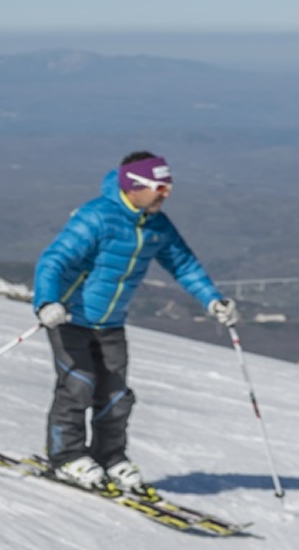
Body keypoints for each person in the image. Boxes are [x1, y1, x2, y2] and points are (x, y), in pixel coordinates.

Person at [32, 151, 239, 496]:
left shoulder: (156, 225)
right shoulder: (97, 217)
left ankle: (109, 456)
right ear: (134, 185)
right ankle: (66, 457)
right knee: (78, 386)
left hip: (111, 323)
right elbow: (54, 259)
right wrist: (46, 302)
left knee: (116, 395)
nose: (166, 194)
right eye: (160, 187)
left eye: (169, 187)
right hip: (70, 318)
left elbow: (184, 265)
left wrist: (213, 300)